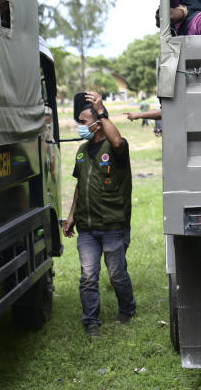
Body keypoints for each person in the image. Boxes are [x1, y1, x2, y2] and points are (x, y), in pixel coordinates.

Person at [62, 91, 137, 336]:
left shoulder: (115, 148)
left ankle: (127, 309)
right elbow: (79, 185)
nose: (80, 126)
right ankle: (91, 321)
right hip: (87, 228)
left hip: (112, 224)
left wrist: (103, 110)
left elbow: (117, 141)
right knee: (88, 276)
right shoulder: (82, 151)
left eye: (83, 122)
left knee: (116, 274)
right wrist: (72, 215)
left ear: (98, 122)